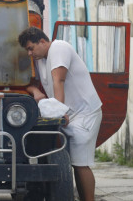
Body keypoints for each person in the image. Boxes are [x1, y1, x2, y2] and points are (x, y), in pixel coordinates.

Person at [18, 27, 102, 201]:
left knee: (81, 164)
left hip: (84, 114)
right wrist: (35, 91)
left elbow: (59, 80)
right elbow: (30, 84)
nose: (29, 53)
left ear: (42, 41)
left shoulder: (59, 47)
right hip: (68, 116)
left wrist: (59, 109)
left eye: (31, 48)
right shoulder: (41, 59)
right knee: (74, 164)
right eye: (27, 50)